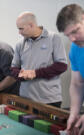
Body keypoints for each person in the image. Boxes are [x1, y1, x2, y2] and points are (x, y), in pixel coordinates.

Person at [11, 11, 67, 108]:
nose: (19, 32)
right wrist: (21, 75)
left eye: (21, 29)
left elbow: (62, 66)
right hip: (25, 99)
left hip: (49, 100)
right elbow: (13, 69)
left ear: (31, 25)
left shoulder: (53, 38)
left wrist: (35, 73)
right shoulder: (20, 44)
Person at [56, 4, 84, 135]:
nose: (72, 39)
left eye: (75, 31)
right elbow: (77, 84)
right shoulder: (75, 48)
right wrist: (74, 113)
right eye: (68, 35)